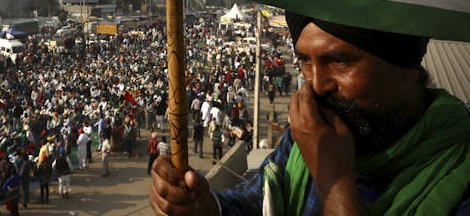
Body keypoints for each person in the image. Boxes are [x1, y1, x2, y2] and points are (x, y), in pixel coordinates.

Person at [150, 11, 470, 215]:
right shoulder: (309, 137)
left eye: (340, 61)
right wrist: (207, 207)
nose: (315, 85)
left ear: (407, 68)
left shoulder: (459, 168)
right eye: (305, 61)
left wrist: (334, 180)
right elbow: (258, 200)